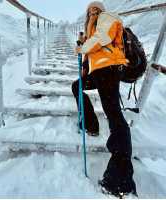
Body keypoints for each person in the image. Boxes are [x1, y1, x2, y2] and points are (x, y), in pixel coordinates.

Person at [71, 1, 137, 197]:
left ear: (101, 10)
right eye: (90, 9)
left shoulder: (107, 18)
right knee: (77, 86)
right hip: (100, 71)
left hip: (109, 71)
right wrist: (85, 54)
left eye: (96, 8)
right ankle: (91, 125)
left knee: (115, 116)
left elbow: (103, 38)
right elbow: (96, 46)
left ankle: (120, 180)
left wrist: (83, 48)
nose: (93, 10)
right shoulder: (93, 26)